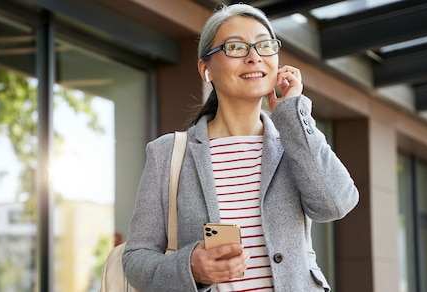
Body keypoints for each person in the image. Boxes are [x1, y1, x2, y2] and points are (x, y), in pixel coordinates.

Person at [122, 3, 359, 292]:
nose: (254, 57)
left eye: (264, 45)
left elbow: (335, 204)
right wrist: (191, 268)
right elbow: (136, 259)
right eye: (235, 47)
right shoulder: (168, 153)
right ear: (205, 69)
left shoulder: (293, 142)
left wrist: (294, 114)